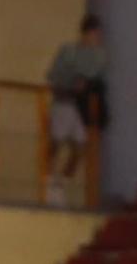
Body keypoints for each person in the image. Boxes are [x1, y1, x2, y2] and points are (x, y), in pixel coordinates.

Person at [45, 16, 106, 202]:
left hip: (81, 106)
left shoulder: (99, 56)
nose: (97, 38)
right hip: (64, 102)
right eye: (95, 34)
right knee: (56, 142)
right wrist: (71, 83)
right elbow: (53, 76)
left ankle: (62, 182)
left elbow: (97, 77)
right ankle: (48, 179)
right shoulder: (68, 51)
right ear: (87, 34)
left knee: (80, 145)